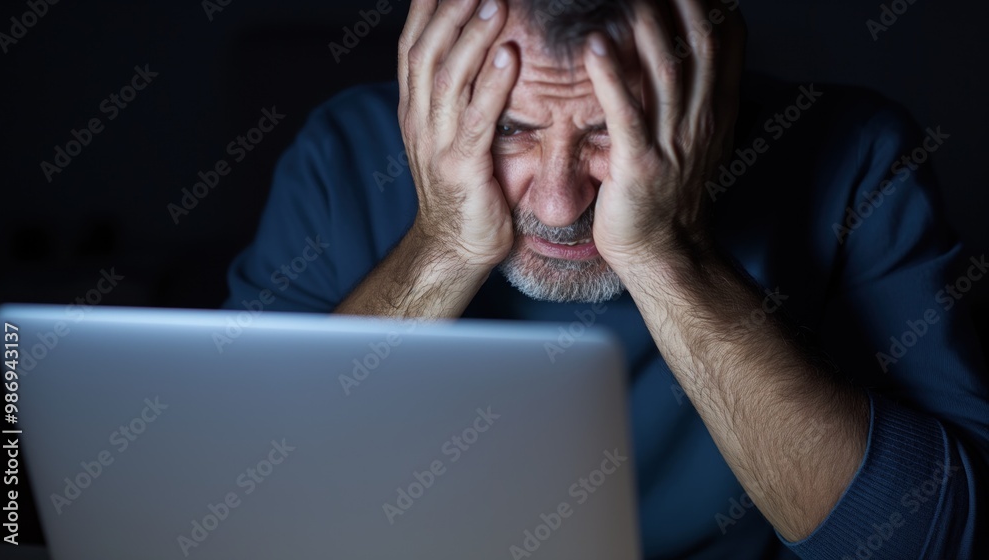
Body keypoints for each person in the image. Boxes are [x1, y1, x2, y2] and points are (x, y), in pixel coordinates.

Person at [223, 0, 989, 557]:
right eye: (510, 129)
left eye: (618, 132)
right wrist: (445, 245)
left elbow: (934, 540)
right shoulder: (344, 153)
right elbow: (240, 515)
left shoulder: (854, 158)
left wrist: (667, 255)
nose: (560, 203)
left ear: (711, 88)